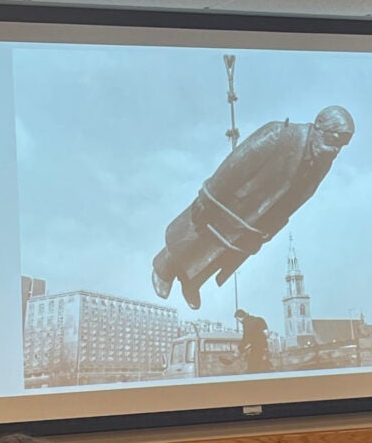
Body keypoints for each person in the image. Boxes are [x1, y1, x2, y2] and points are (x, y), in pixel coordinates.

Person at [151, 106, 355, 309]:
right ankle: (164, 268)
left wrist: (274, 227)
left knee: (223, 254)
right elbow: (235, 164)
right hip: (233, 202)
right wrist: (207, 196)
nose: (336, 149)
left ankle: (193, 281)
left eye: (342, 145)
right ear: (319, 126)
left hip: (260, 218)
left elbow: (300, 199)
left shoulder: (322, 161)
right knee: (197, 238)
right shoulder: (280, 134)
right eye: (335, 139)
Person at [235, 308, 271, 373]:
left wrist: (240, 348)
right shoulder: (259, 319)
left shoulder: (246, 323)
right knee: (265, 367)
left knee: (253, 368)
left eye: (238, 320)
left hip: (256, 349)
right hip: (264, 347)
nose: (239, 322)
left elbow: (246, 338)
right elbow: (266, 334)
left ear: (240, 317)